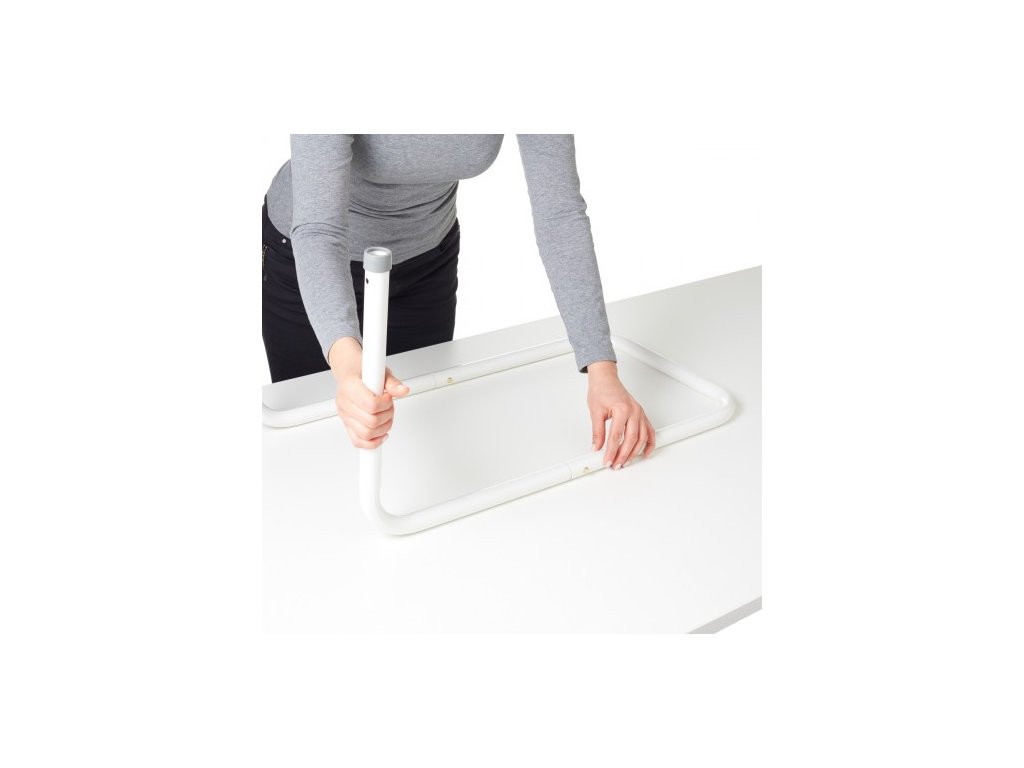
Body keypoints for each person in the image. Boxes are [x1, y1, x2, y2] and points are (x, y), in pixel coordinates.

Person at [262, 134, 654, 470]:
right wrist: (348, 364)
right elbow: (320, 228)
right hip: (308, 265)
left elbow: (559, 212)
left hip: (426, 263)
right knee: (316, 452)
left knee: (416, 437)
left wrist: (601, 369)